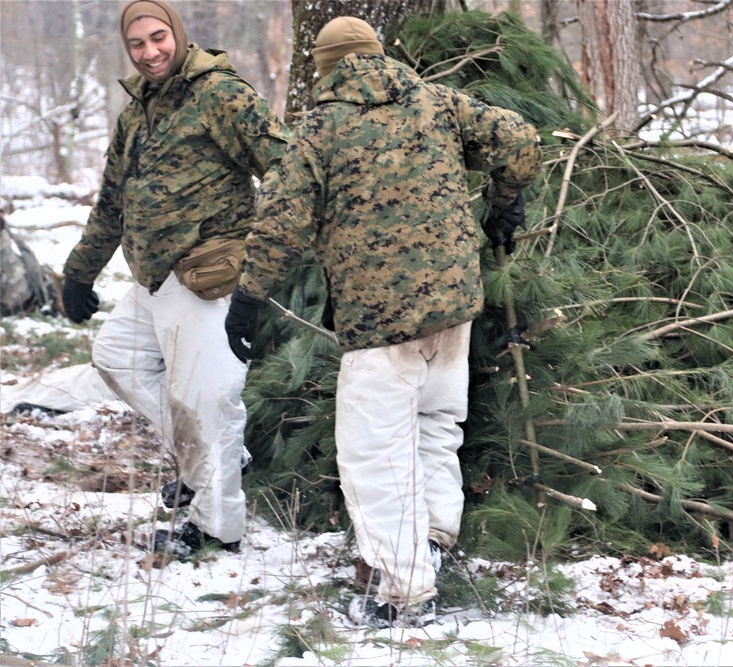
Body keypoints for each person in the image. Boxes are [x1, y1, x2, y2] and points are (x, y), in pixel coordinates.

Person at [225, 16, 541, 627]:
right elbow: (522, 141)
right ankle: (434, 540)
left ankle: (401, 589)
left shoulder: (318, 128)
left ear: (324, 69)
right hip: (454, 309)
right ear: (379, 56)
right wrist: (505, 204)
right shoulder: (438, 103)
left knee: (374, 456)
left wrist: (249, 298)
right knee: (434, 426)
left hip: (381, 322)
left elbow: (282, 220)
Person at [60, 0, 288, 560]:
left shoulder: (222, 96)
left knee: (204, 401)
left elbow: (286, 170)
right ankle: (214, 461)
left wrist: (259, 260)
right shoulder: (138, 109)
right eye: (137, 44)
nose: (149, 52)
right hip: (154, 278)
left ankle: (217, 527)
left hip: (208, 276)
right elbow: (113, 199)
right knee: (116, 355)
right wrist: (79, 271)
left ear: (178, 35)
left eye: (158, 37)